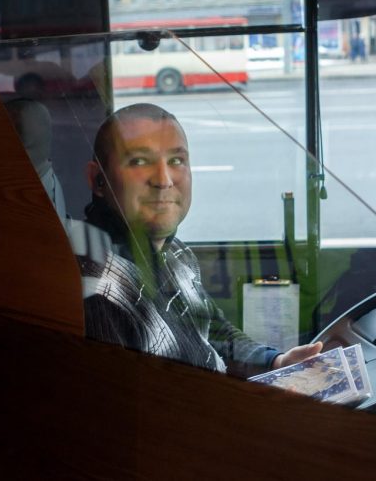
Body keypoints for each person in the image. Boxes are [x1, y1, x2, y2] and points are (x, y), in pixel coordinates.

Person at [80, 103, 321, 377]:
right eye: (139, 161)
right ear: (98, 180)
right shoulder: (101, 296)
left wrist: (274, 363)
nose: (164, 179)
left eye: (176, 161)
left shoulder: (173, 252)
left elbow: (211, 331)